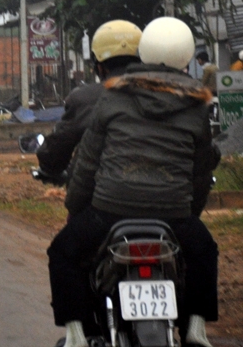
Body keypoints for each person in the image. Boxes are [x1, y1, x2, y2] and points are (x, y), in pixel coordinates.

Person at [47, 17, 220, 347]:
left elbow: (87, 163)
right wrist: (189, 214)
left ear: (144, 53)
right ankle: (196, 330)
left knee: (63, 252)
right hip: (174, 212)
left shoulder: (113, 97)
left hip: (110, 208)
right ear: (187, 57)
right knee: (204, 250)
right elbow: (200, 173)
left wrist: (76, 205)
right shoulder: (198, 106)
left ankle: (75, 336)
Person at [37, 20, 142, 178]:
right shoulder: (169, 97)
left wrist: (49, 167)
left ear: (99, 66)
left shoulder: (84, 99)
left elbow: (55, 153)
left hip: (101, 196)